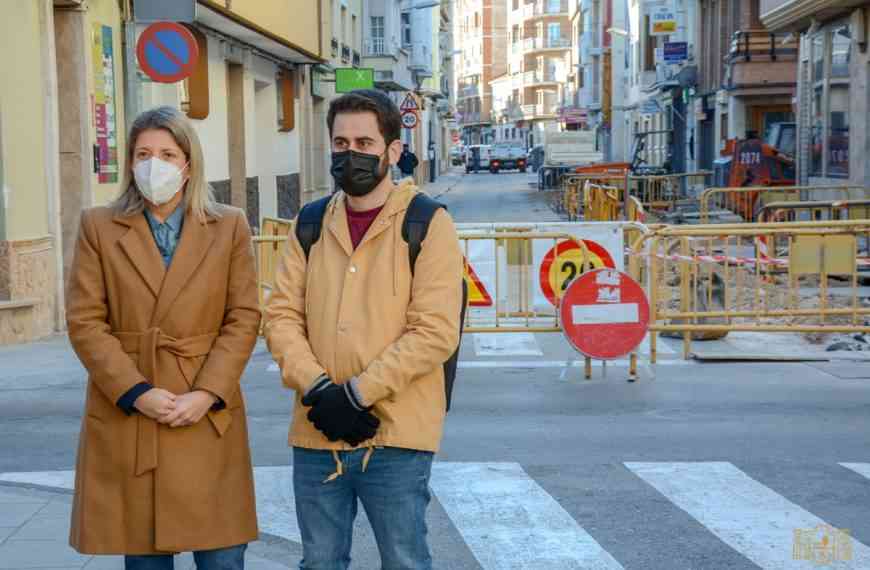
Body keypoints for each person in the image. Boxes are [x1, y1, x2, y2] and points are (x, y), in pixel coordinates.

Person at [264, 89, 463, 570]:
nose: (350, 154)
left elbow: (435, 331)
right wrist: (319, 389)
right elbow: (280, 316)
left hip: (397, 435)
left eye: (364, 142)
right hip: (317, 433)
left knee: (404, 560)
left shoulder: (427, 223)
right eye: (340, 142)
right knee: (320, 562)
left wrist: (354, 395)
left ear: (393, 151)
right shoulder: (309, 224)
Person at [66, 106, 260, 569]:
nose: (156, 164)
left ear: (188, 163)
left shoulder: (228, 225)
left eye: (168, 153)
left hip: (207, 411)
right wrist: (136, 393)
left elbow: (244, 317)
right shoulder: (99, 226)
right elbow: (86, 321)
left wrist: (207, 393)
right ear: (130, 163)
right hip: (134, 410)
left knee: (223, 558)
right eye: (144, 153)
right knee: (146, 559)